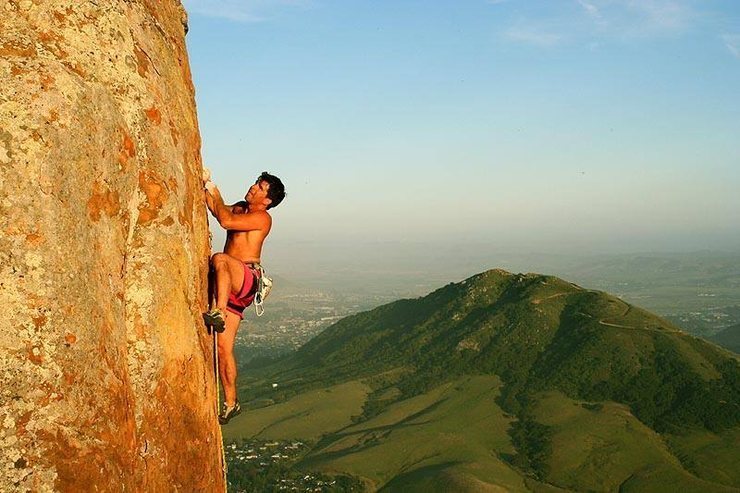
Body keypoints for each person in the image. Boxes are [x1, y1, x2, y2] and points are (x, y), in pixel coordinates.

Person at [202, 170, 286, 424]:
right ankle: (231, 402)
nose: (252, 187)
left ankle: (218, 310)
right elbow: (218, 210)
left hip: (246, 276)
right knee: (223, 348)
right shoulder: (240, 208)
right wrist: (204, 187)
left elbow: (224, 220)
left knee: (220, 259)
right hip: (231, 284)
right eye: (255, 183)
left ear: (267, 200)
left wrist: (213, 188)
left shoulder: (262, 218)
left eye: (260, 188)